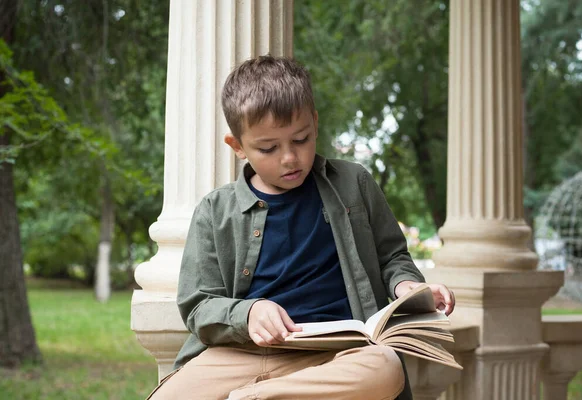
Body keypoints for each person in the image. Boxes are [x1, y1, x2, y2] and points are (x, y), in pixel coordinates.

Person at [148, 55, 455, 400]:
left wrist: (407, 285)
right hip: (244, 351)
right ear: (237, 147)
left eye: (301, 139)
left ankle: (256, 397)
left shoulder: (355, 183)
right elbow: (198, 305)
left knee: (385, 367)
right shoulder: (215, 211)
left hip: (337, 355)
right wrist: (247, 313)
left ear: (315, 123)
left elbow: (392, 256)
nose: (289, 158)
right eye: (268, 148)